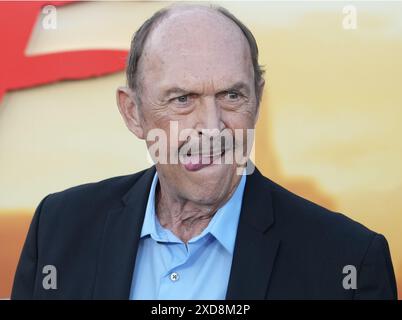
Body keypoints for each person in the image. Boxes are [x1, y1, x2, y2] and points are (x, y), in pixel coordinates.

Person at [12, 4, 397, 299]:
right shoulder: (59, 229)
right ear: (133, 113)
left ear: (257, 100)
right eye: (183, 99)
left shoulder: (349, 262)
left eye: (232, 96)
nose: (212, 127)